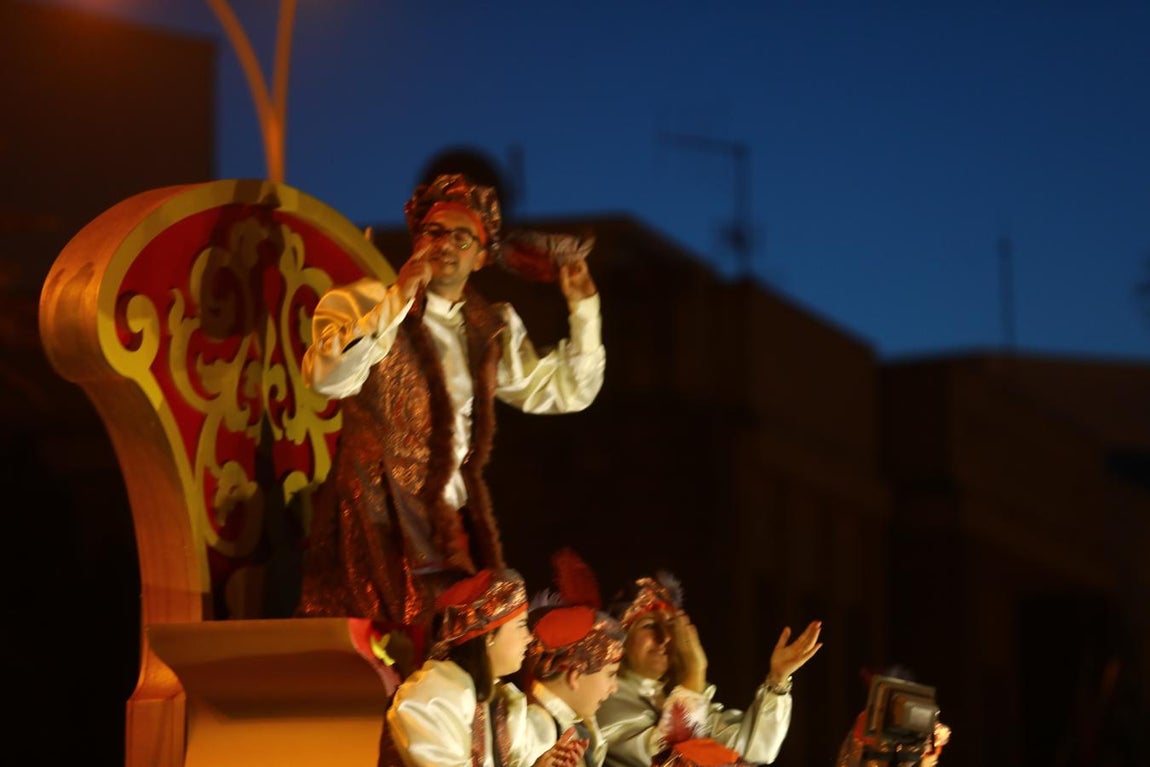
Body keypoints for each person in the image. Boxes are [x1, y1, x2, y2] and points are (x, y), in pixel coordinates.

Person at [294, 173, 604, 629]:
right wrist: (398, 298)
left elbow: (565, 390)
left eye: (462, 238)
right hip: (373, 510)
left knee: (454, 642)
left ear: (481, 258)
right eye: (434, 232)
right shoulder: (364, 300)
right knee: (380, 643)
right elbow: (326, 377)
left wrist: (584, 310)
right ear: (417, 240)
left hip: (447, 520)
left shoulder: (489, 327)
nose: (445, 245)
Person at [597, 573, 823, 767]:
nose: (664, 637)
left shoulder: (672, 690)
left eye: (670, 626)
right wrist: (694, 674)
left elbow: (754, 749)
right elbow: (671, 758)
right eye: (648, 625)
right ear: (621, 639)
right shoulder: (606, 701)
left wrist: (778, 680)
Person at [384, 567, 589, 767]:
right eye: (520, 626)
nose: (528, 638)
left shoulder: (502, 701)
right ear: (488, 636)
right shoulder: (434, 696)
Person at [522, 595, 626, 766]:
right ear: (575, 675)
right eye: (610, 674)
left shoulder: (575, 724)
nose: (614, 688)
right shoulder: (537, 725)